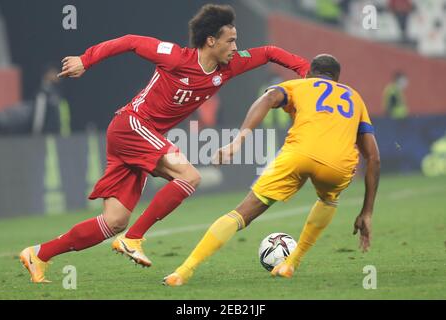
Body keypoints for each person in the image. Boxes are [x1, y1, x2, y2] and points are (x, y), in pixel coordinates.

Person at [19, 4, 309, 283]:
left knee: (113, 221)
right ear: (210, 41)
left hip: (139, 137)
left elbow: (270, 52)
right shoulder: (175, 56)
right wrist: (86, 59)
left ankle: (39, 255)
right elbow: (131, 41)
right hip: (132, 125)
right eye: (230, 40)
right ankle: (134, 238)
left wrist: (308, 73)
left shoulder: (229, 66)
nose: (235, 47)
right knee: (189, 176)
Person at [164, 54, 380, 286]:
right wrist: (366, 212)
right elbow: (373, 158)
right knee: (329, 199)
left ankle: (183, 271)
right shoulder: (354, 97)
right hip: (338, 164)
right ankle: (291, 263)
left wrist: (238, 140)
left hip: (297, 155)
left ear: (308, 73)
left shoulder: (298, 85)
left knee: (241, 213)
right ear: (337, 79)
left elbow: (268, 99)